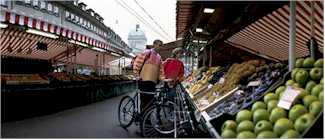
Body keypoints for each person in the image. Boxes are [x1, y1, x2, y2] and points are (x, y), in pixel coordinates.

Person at [132, 39, 165, 114]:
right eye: (159, 45)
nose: (161, 47)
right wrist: (136, 74)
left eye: (161, 46)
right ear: (154, 44)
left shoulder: (159, 57)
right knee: (144, 99)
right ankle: (143, 117)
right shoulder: (147, 52)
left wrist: (163, 79)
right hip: (143, 80)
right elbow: (137, 63)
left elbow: (161, 70)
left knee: (151, 100)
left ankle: (147, 118)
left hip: (152, 82)